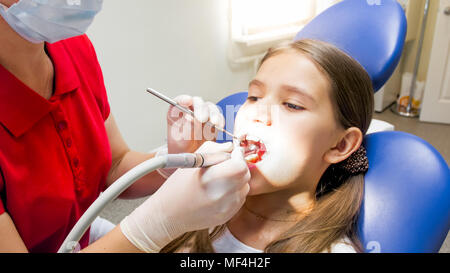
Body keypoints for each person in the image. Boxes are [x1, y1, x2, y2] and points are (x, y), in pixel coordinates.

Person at [0, 0, 250, 253]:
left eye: (291, 104)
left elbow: (115, 165)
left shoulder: (73, 48)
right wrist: (154, 226)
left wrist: (174, 161)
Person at [161, 39, 374, 253]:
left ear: (341, 145)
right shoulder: (197, 203)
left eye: (292, 105)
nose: (258, 113)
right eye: (254, 97)